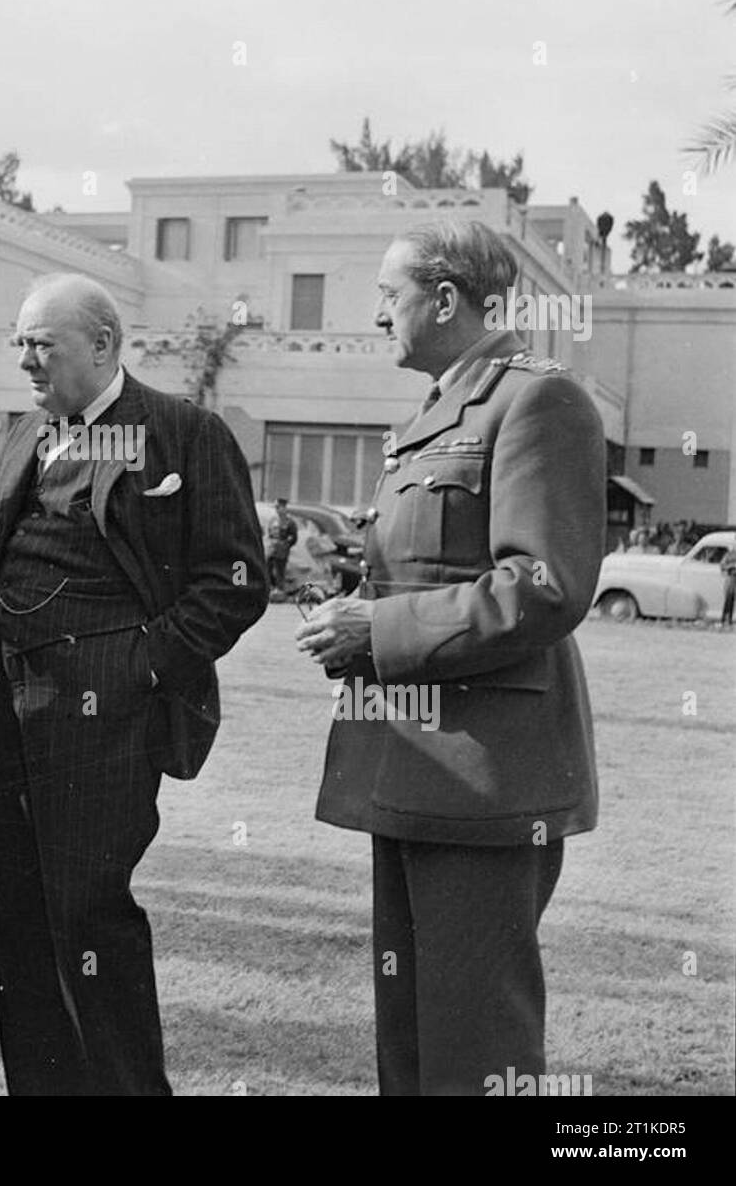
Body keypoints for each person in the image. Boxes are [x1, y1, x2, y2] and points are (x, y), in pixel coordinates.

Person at [0, 273, 267, 1096]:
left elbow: (233, 581)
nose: (25, 361)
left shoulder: (183, 433)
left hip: (105, 731)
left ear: (103, 345)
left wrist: (139, 668)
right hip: (7, 725)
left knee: (89, 925)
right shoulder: (24, 433)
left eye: (40, 344)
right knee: (11, 931)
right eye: (18, 343)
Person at [296, 218, 605, 1096]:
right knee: (414, 1039)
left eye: (387, 294)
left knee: (474, 1046)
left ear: (444, 299)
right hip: (414, 762)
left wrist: (378, 631)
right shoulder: (437, 411)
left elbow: (542, 586)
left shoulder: (539, 399)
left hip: (485, 776)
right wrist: (357, 612)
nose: (374, 313)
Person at [266, 496, 298, 591]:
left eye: (278, 507)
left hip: (282, 549)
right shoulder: (273, 520)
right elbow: (270, 533)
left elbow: (293, 538)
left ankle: (280, 589)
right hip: (272, 548)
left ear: (284, 508)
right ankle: (269, 588)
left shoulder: (290, 522)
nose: (277, 510)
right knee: (268, 569)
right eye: (276, 508)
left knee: (280, 571)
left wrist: (285, 545)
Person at [720, 544, 736, 628]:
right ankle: (725, 619)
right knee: (729, 599)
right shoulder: (729, 554)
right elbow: (722, 565)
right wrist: (731, 566)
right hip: (731, 577)